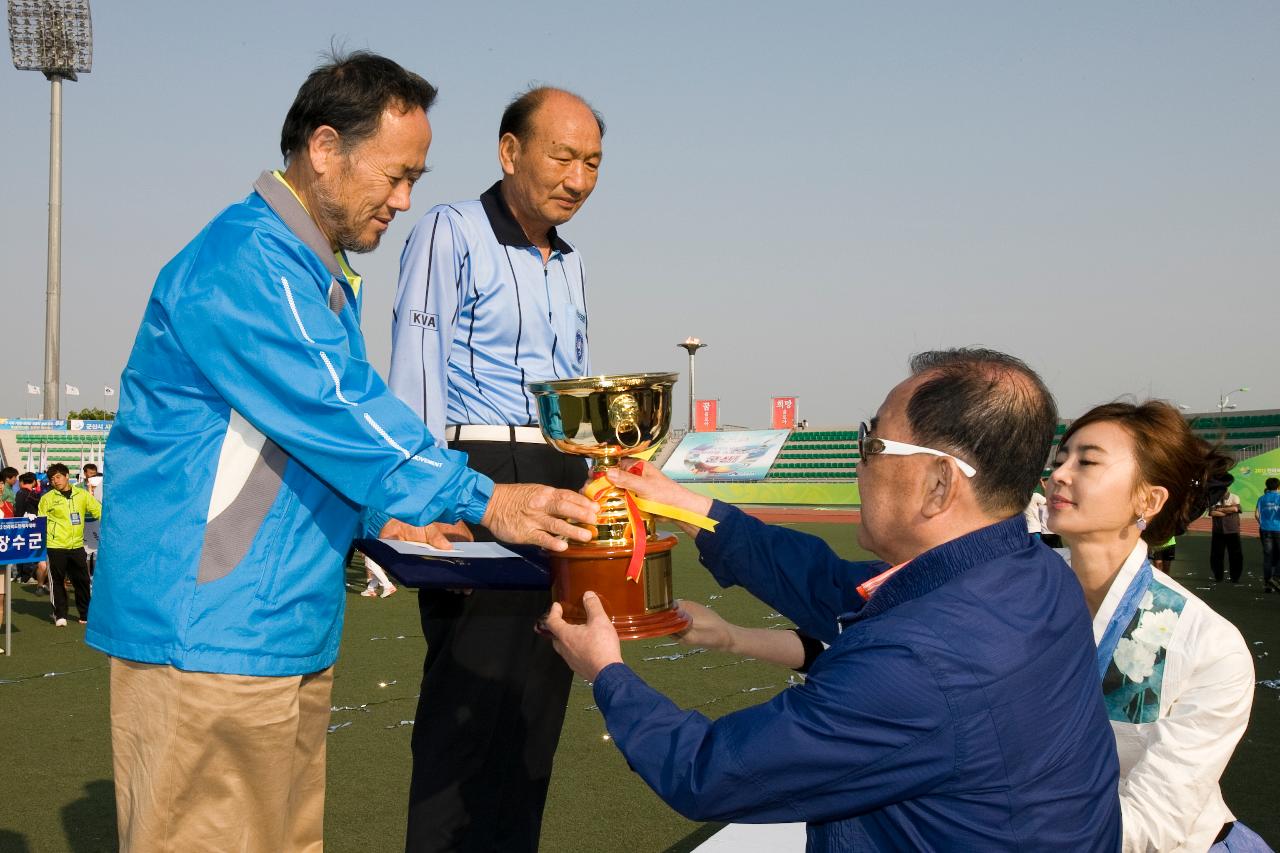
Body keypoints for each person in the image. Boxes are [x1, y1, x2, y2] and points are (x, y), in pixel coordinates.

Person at [85, 52, 597, 853]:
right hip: (209, 635)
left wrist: (391, 514)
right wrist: (485, 498)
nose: (404, 201)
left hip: (277, 630)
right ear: (324, 148)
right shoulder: (245, 260)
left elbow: (298, 449)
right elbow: (337, 410)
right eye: (396, 176)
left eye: (416, 180)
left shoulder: (310, 274)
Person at [545, 348, 1121, 851]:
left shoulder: (922, 662)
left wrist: (606, 671)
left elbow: (711, 771)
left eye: (872, 443)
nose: (859, 462)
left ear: (940, 484)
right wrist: (685, 508)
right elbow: (831, 586)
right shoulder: (1031, 574)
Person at [388, 85, 604, 852]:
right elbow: (415, 369)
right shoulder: (450, 231)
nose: (578, 177)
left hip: (559, 475)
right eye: (563, 156)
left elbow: (575, 382)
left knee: (534, 712)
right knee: (467, 708)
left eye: (593, 162)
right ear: (510, 151)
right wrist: (422, 494)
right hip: (476, 472)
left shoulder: (572, 264)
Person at [1047, 401, 1264, 851]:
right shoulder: (1015, 593)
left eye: (1087, 461)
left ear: (1148, 499)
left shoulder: (1208, 644)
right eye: (1059, 459)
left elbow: (1155, 823)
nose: (1059, 475)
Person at [37, 463, 101, 627]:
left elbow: (98, 511)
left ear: (67, 476)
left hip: (77, 546)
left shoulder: (82, 495)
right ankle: (60, 615)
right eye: (52, 479)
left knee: (83, 581)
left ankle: (85, 614)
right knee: (57, 581)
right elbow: (40, 521)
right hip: (55, 545)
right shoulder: (47, 498)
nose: (55, 481)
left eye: (58, 477)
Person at [12, 473, 46, 586]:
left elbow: (18, 511)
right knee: (29, 550)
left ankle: (21, 575)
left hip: (20, 525)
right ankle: (26, 576)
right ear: (34, 481)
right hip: (31, 526)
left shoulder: (20, 493)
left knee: (22, 549)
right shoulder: (32, 494)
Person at [1209, 473, 1244, 582]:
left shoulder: (1235, 497)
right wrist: (1227, 510)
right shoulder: (1213, 498)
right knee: (1216, 555)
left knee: (1236, 555)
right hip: (1218, 531)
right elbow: (1212, 512)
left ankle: (1235, 577)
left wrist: (1219, 509)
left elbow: (1235, 509)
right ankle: (1218, 577)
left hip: (1232, 530)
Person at [1257, 477, 1280, 592]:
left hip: (1265, 529)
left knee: (1268, 557)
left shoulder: (1261, 498)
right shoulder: (1279, 497)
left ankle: (1267, 584)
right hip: (1278, 529)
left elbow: (1257, 514)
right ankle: (1275, 578)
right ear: (1278, 486)